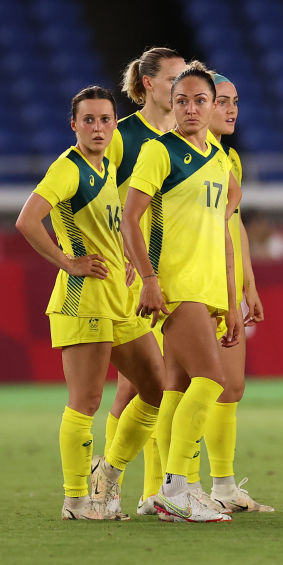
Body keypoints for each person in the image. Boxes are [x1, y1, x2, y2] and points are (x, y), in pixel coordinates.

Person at [15, 86, 164, 520]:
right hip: (83, 301)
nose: (98, 127)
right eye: (89, 120)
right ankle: (77, 498)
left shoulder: (108, 165)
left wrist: (129, 258)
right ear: (74, 125)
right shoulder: (68, 168)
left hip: (121, 298)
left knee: (156, 388)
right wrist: (67, 261)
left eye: (105, 119)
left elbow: (112, 223)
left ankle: (107, 473)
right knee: (87, 400)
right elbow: (27, 219)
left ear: (114, 125)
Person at [121, 66, 241, 523]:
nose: (191, 108)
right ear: (171, 104)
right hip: (178, 283)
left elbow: (223, 232)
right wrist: (150, 280)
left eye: (200, 100)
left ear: (214, 105)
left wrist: (231, 301)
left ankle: (169, 491)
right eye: (182, 100)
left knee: (178, 386)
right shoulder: (158, 151)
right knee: (212, 380)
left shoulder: (219, 159)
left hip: (208, 286)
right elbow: (130, 219)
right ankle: (177, 486)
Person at [104, 46, 187, 514]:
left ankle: (151, 490)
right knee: (138, 385)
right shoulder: (121, 137)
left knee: (161, 383)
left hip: (175, 273)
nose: (180, 89)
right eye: (173, 79)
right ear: (149, 84)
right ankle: (120, 484)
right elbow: (87, 189)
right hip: (132, 276)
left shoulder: (186, 140)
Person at [192, 70, 272, 512]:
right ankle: (168, 487)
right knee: (184, 388)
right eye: (222, 101)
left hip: (228, 284)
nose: (231, 110)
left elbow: (233, 224)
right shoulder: (177, 156)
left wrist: (248, 283)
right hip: (194, 284)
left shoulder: (229, 160)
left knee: (231, 386)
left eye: (235, 101)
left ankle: (221, 488)